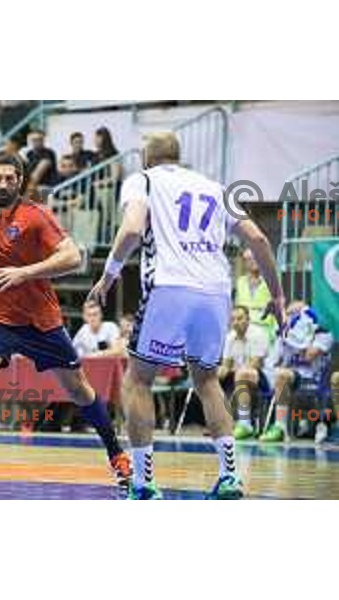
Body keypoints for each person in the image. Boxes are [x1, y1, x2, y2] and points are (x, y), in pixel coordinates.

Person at [0, 148, 132, 498]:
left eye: (10, 178)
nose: (3, 183)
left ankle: (118, 456)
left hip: (41, 321)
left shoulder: (35, 216)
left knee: (79, 390)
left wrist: (24, 273)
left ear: (20, 182)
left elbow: (73, 256)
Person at [89, 131, 285, 499]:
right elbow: (258, 238)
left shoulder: (141, 179)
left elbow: (132, 228)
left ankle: (144, 483)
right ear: (178, 156)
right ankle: (230, 477)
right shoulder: (216, 186)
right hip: (215, 291)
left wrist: (109, 274)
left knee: (138, 381)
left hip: (169, 287)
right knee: (207, 380)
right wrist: (277, 293)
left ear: (147, 157)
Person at [260, 301, 334, 444]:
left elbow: (309, 355)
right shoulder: (286, 333)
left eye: (295, 314)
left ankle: (285, 425)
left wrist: (297, 337)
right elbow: (273, 361)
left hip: (312, 377)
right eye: (289, 314)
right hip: (290, 375)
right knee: (279, 374)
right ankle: (276, 426)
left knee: (282, 375)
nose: (291, 318)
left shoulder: (323, 333)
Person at [218, 305, 270, 440]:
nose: (236, 322)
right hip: (237, 375)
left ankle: (245, 423)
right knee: (211, 378)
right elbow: (226, 365)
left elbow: (255, 364)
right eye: (233, 319)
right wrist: (215, 373)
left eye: (240, 318)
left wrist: (230, 370)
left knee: (242, 373)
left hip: (261, 377)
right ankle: (219, 424)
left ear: (248, 319)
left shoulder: (258, 334)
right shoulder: (230, 337)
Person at [235, 248, 276, 343]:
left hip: (264, 329)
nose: (253, 261)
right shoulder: (240, 282)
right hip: (244, 329)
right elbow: (237, 308)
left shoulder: (271, 279)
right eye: (249, 259)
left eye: (255, 257)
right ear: (244, 263)